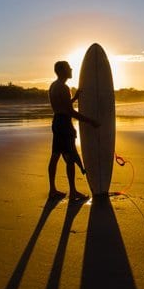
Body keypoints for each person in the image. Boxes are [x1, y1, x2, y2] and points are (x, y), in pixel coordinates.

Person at [48, 61, 99, 201]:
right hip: (64, 124)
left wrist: (75, 98)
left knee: (55, 155)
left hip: (57, 122)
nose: (71, 69)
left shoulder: (54, 85)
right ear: (63, 71)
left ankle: (52, 190)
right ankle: (73, 192)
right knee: (69, 159)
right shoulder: (63, 87)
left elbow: (61, 106)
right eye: (69, 68)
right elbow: (70, 112)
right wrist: (91, 121)